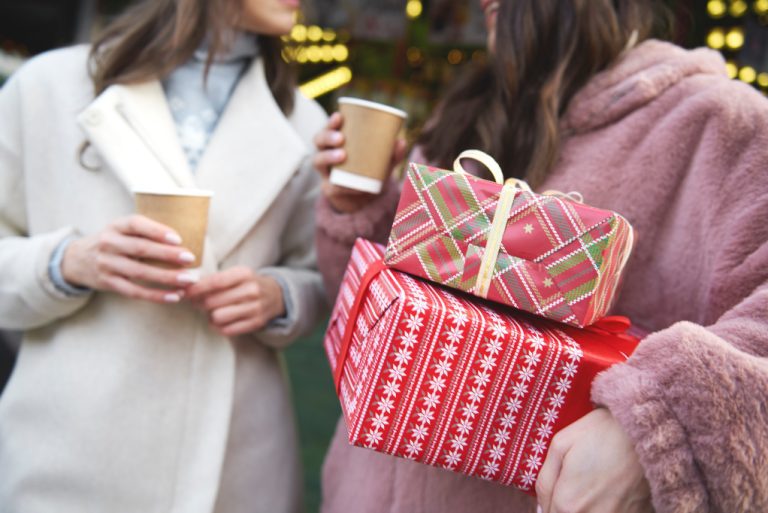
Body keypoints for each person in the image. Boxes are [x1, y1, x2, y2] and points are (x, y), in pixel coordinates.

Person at [312, 0, 768, 512]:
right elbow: (387, 310)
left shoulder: (722, 122)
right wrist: (359, 207)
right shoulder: (467, 112)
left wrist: (656, 421)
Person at [0, 0, 327, 511]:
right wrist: (68, 262)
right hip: (67, 444)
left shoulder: (305, 122)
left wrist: (278, 296)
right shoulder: (48, 86)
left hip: (233, 456)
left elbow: (318, 277)